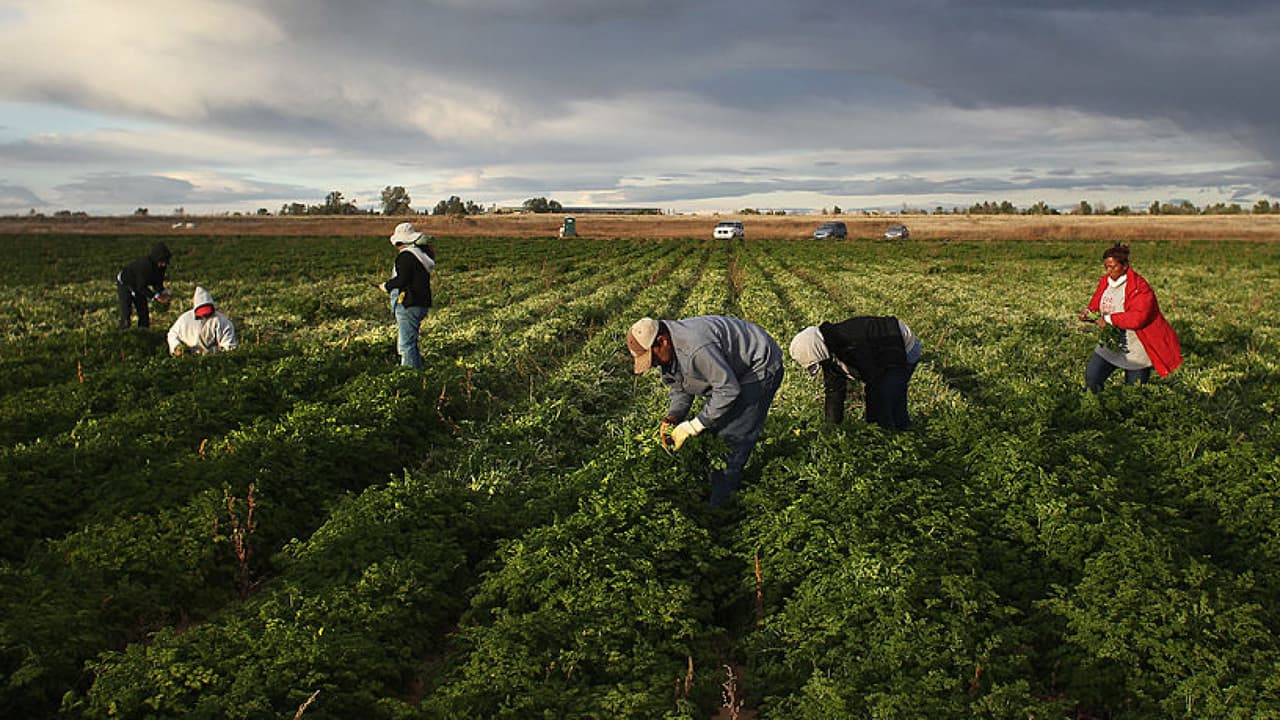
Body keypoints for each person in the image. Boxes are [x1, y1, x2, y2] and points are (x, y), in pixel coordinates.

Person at [627, 315, 783, 506]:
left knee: (731, 439)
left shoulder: (695, 347)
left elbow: (727, 390)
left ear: (662, 341)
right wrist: (674, 417)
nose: (654, 364)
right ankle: (710, 488)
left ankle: (719, 508)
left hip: (758, 365)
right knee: (712, 429)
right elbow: (680, 387)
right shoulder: (670, 352)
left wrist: (694, 425)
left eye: (653, 358)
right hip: (730, 372)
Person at [1077, 242, 1182, 392]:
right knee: (1092, 378)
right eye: (1106, 267)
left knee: (1134, 393)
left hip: (1136, 349)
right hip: (1110, 343)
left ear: (1125, 266)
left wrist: (1107, 319)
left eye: (1113, 267)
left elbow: (1138, 318)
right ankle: (1099, 410)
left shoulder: (1140, 287)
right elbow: (1096, 303)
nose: (1109, 270)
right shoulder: (1105, 282)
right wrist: (1089, 313)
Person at [788, 316, 922, 430]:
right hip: (880, 351)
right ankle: (901, 428)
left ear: (817, 350)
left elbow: (873, 381)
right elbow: (834, 391)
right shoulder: (828, 349)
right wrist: (832, 427)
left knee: (885, 397)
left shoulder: (852, 343)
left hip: (902, 344)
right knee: (891, 399)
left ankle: (888, 437)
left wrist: (872, 425)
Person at [379, 222, 435, 369]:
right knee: (411, 342)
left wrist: (386, 286)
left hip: (409, 303)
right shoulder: (421, 255)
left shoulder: (406, 256)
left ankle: (409, 377)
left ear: (400, 241)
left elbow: (402, 279)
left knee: (406, 345)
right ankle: (418, 372)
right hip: (421, 302)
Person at [167, 286, 238, 356]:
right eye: (201, 313)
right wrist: (176, 347)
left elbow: (228, 346)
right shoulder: (184, 319)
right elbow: (172, 334)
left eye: (207, 312)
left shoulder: (222, 322)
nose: (204, 315)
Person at [117, 242, 171, 329]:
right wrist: (155, 297)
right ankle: (122, 333)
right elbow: (141, 287)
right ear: (157, 259)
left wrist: (163, 292)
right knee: (126, 315)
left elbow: (158, 282)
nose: (164, 264)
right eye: (162, 262)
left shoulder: (161, 266)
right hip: (126, 284)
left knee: (144, 314)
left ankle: (143, 333)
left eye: (165, 262)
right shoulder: (145, 266)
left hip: (139, 286)